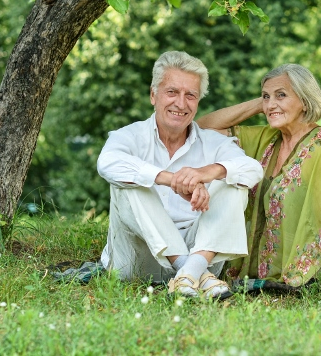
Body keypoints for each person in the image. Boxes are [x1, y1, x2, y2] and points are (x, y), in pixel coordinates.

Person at [97, 51, 263, 299]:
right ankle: (193, 272)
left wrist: (207, 173)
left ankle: (190, 272)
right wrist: (171, 180)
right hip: (138, 261)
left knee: (233, 180)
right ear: (153, 95)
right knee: (132, 182)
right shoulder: (129, 136)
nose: (181, 103)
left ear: (197, 102)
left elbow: (253, 169)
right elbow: (107, 163)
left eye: (190, 95)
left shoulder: (213, 142)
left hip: (202, 251)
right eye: (172, 92)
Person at [197, 64, 321, 289]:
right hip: (249, 278)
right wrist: (261, 104)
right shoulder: (267, 138)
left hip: (295, 278)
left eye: (281, 95)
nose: (271, 104)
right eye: (266, 97)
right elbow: (204, 128)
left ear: (305, 99)